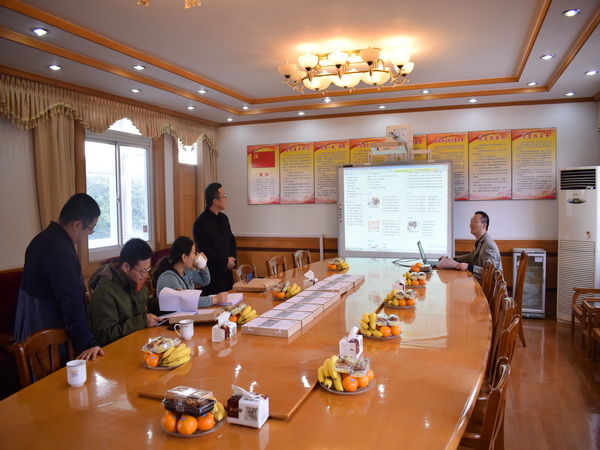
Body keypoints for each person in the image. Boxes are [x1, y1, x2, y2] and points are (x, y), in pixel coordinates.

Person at [14, 193, 104, 361]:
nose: (89, 234)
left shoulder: (39, 240)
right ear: (77, 225)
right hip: (48, 335)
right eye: (91, 229)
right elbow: (71, 302)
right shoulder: (61, 251)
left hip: (29, 327)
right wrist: (88, 343)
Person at [88, 238, 161, 347]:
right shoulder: (104, 292)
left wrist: (172, 301)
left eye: (147, 270)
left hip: (139, 343)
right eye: (142, 271)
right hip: (117, 350)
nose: (145, 276)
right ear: (126, 266)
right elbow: (104, 336)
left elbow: (149, 305)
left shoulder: (136, 281)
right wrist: (141, 322)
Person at [154, 236, 228, 306]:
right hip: (174, 315)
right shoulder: (168, 278)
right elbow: (186, 301)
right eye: (193, 253)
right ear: (184, 257)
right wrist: (214, 299)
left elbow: (204, 281)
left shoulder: (188, 271)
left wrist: (202, 265)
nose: (195, 257)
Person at [192, 183, 237, 295]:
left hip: (228, 273)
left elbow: (231, 240)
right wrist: (225, 262)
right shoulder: (200, 223)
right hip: (212, 275)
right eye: (223, 196)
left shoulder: (224, 218)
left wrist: (232, 258)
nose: (226, 198)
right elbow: (205, 251)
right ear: (215, 201)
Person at [439, 211, 502, 281]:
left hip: (488, 287)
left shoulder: (488, 245)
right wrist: (451, 260)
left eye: (475, 221)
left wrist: (469, 267)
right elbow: (470, 257)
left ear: (484, 225)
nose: (471, 224)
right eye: (471, 221)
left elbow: (491, 272)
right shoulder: (481, 241)